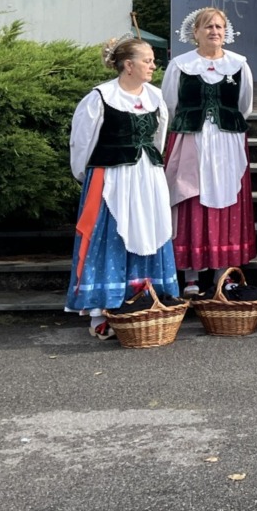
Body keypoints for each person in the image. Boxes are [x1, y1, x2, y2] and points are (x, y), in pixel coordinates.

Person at [65, 36, 176, 339]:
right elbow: (82, 143)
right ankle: (101, 312)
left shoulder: (154, 97)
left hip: (146, 177)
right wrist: (86, 177)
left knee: (149, 231)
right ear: (129, 65)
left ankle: (142, 300)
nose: (154, 65)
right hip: (111, 177)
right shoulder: (100, 97)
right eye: (148, 60)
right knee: (109, 236)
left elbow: (158, 140)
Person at [163, 8, 256, 296]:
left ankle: (223, 273)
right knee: (191, 198)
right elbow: (169, 105)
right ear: (195, 33)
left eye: (219, 27)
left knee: (227, 202)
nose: (214, 32)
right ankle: (191, 275)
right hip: (191, 139)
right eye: (208, 27)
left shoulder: (238, 65)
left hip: (227, 141)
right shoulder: (180, 65)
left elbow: (245, 105)